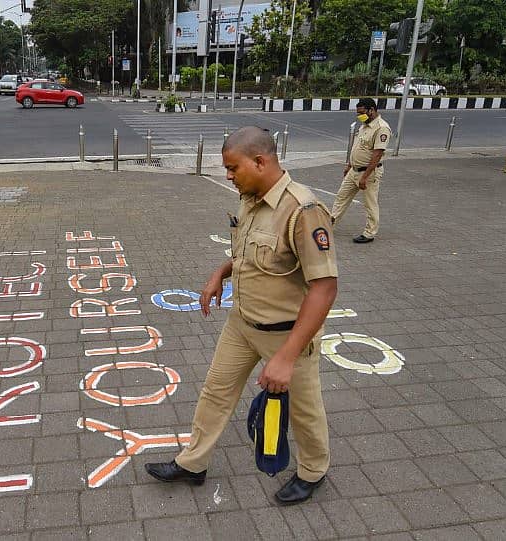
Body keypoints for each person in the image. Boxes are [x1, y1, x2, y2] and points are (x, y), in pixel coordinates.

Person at [145, 127, 338, 505]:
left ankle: (313, 471)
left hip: (287, 334)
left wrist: (285, 358)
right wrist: (221, 272)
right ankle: (193, 463)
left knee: (304, 412)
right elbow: (250, 255)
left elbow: (325, 288)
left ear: (260, 162)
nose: (228, 176)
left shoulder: (304, 210)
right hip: (242, 322)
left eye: (233, 168)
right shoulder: (250, 199)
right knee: (215, 392)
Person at [331, 98, 392, 244]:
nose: (360, 116)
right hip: (354, 170)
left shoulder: (381, 128)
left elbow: (377, 155)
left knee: (370, 204)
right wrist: (349, 165)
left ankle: (370, 233)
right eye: (358, 113)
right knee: (341, 197)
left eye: (362, 113)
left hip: (368, 173)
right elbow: (357, 147)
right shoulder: (364, 125)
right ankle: (330, 223)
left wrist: (365, 177)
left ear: (372, 110)